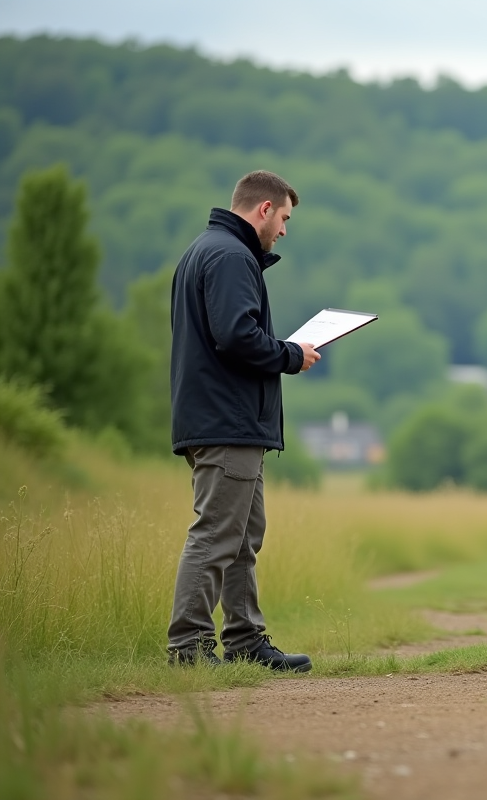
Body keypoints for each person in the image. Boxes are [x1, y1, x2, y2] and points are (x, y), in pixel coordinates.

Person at [167, 170, 321, 670]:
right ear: (263, 209)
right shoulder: (231, 257)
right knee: (216, 535)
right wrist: (291, 354)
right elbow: (237, 336)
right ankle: (188, 649)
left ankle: (245, 642)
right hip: (226, 422)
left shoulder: (205, 250)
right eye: (284, 218)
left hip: (223, 420)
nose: (284, 230)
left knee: (242, 538)